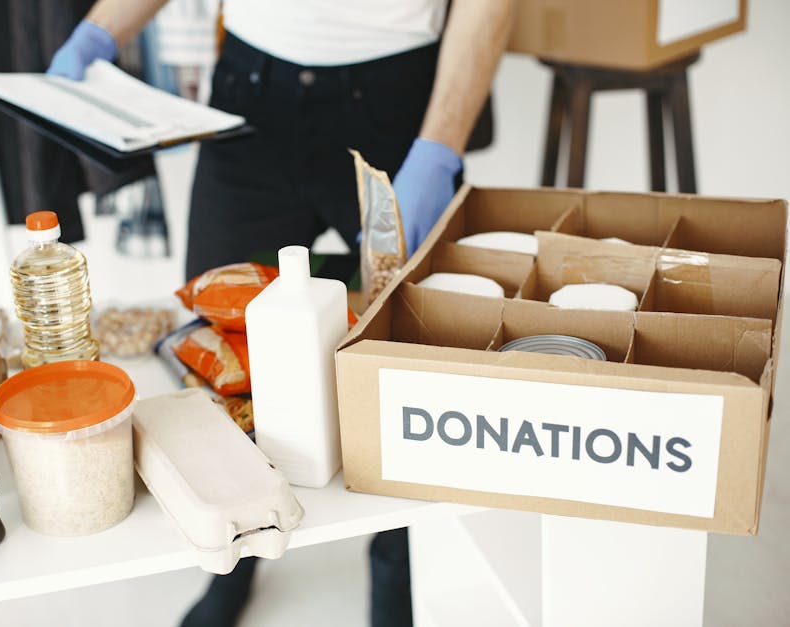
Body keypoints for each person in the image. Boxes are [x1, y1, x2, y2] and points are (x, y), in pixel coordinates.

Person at [48, 1, 515, 625]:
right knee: (213, 359)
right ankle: (232, 557)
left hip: (397, 107)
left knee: (413, 364)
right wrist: (99, 31)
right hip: (250, 99)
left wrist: (437, 152)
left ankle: (398, 569)